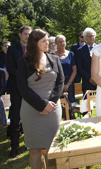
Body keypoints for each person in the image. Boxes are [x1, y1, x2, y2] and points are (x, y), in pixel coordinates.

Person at [17, 29, 64, 169]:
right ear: (34, 43)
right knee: (35, 149)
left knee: (53, 147)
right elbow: (22, 87)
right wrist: (41, 105)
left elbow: (60, 82)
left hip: (53, 109)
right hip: (32, 110)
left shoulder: (54, 59)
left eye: (47, 40)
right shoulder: (23, 62)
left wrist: (51, 103)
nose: (47, 43)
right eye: (43, 41)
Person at [6, 25, 32, 158]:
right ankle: (14, 146)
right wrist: (24, 77)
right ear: (20, 35)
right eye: (25, 34)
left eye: (29, 34)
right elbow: (10, 68)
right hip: (17, 88)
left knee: (30, 117)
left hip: (31, 88)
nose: (28, 36)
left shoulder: (34, 48)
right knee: (16, 117)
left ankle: (31, 143)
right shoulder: (12, 49)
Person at [54, 35, 77, 103]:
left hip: (69, 83)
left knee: (71, 105)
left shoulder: (71, 54)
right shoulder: (52, 55)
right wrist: (61, 85)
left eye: (63, 41)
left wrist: (67, 84)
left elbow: (74, 70)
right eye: (59, 42)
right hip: (57, 84)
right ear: (56, 43)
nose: (62, 43)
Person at [76, 28, 98, 97]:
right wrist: (90, 78)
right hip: (87, 81)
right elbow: (80, 67)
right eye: (89, 36)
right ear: (85, 37)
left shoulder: (100, 49)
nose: (91, 37)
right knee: (87, 104)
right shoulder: (80, 51)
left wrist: (96, 79)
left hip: (100, 81)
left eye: (93, 35)